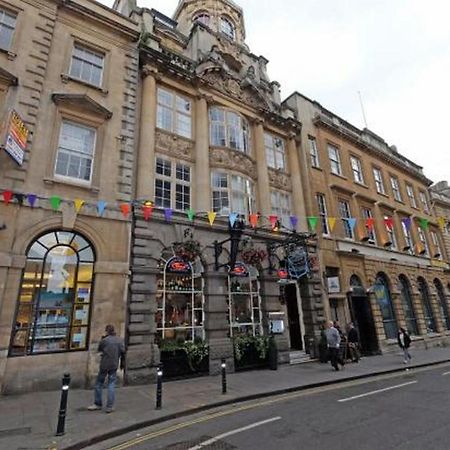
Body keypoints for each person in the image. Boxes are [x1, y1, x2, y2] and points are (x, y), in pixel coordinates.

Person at [88, 324, 125, 413]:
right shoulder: (119, 340)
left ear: (107, 331)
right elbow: (123, 351)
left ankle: (97, 403)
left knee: (99, 383)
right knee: (111, 385)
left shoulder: (104, 340)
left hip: (104, 365)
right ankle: (109, 406)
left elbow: (99, 349)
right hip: (114, 364)